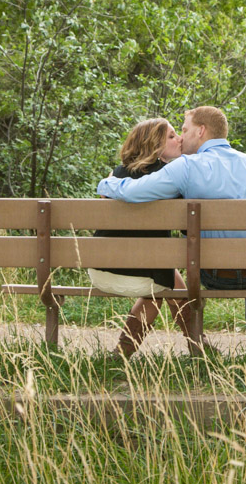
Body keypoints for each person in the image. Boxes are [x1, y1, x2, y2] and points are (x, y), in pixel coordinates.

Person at [98, 106, 246, 353]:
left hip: (212, 273)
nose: (182, 137)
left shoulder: (186, 167)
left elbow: (132, 191)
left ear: (201, 131)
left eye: (184, 130)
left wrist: (107, 182)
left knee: (172, 278)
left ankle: (135, 353)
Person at [89, 117, 211, 357]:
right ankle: (197, 347)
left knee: (168, 277)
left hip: (100, 270)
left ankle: (124, 353)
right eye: (172, 136)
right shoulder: (171, 177)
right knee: (162, 285)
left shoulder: (116, 175)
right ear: (155, 145)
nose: (180, 139)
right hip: (143, 277)